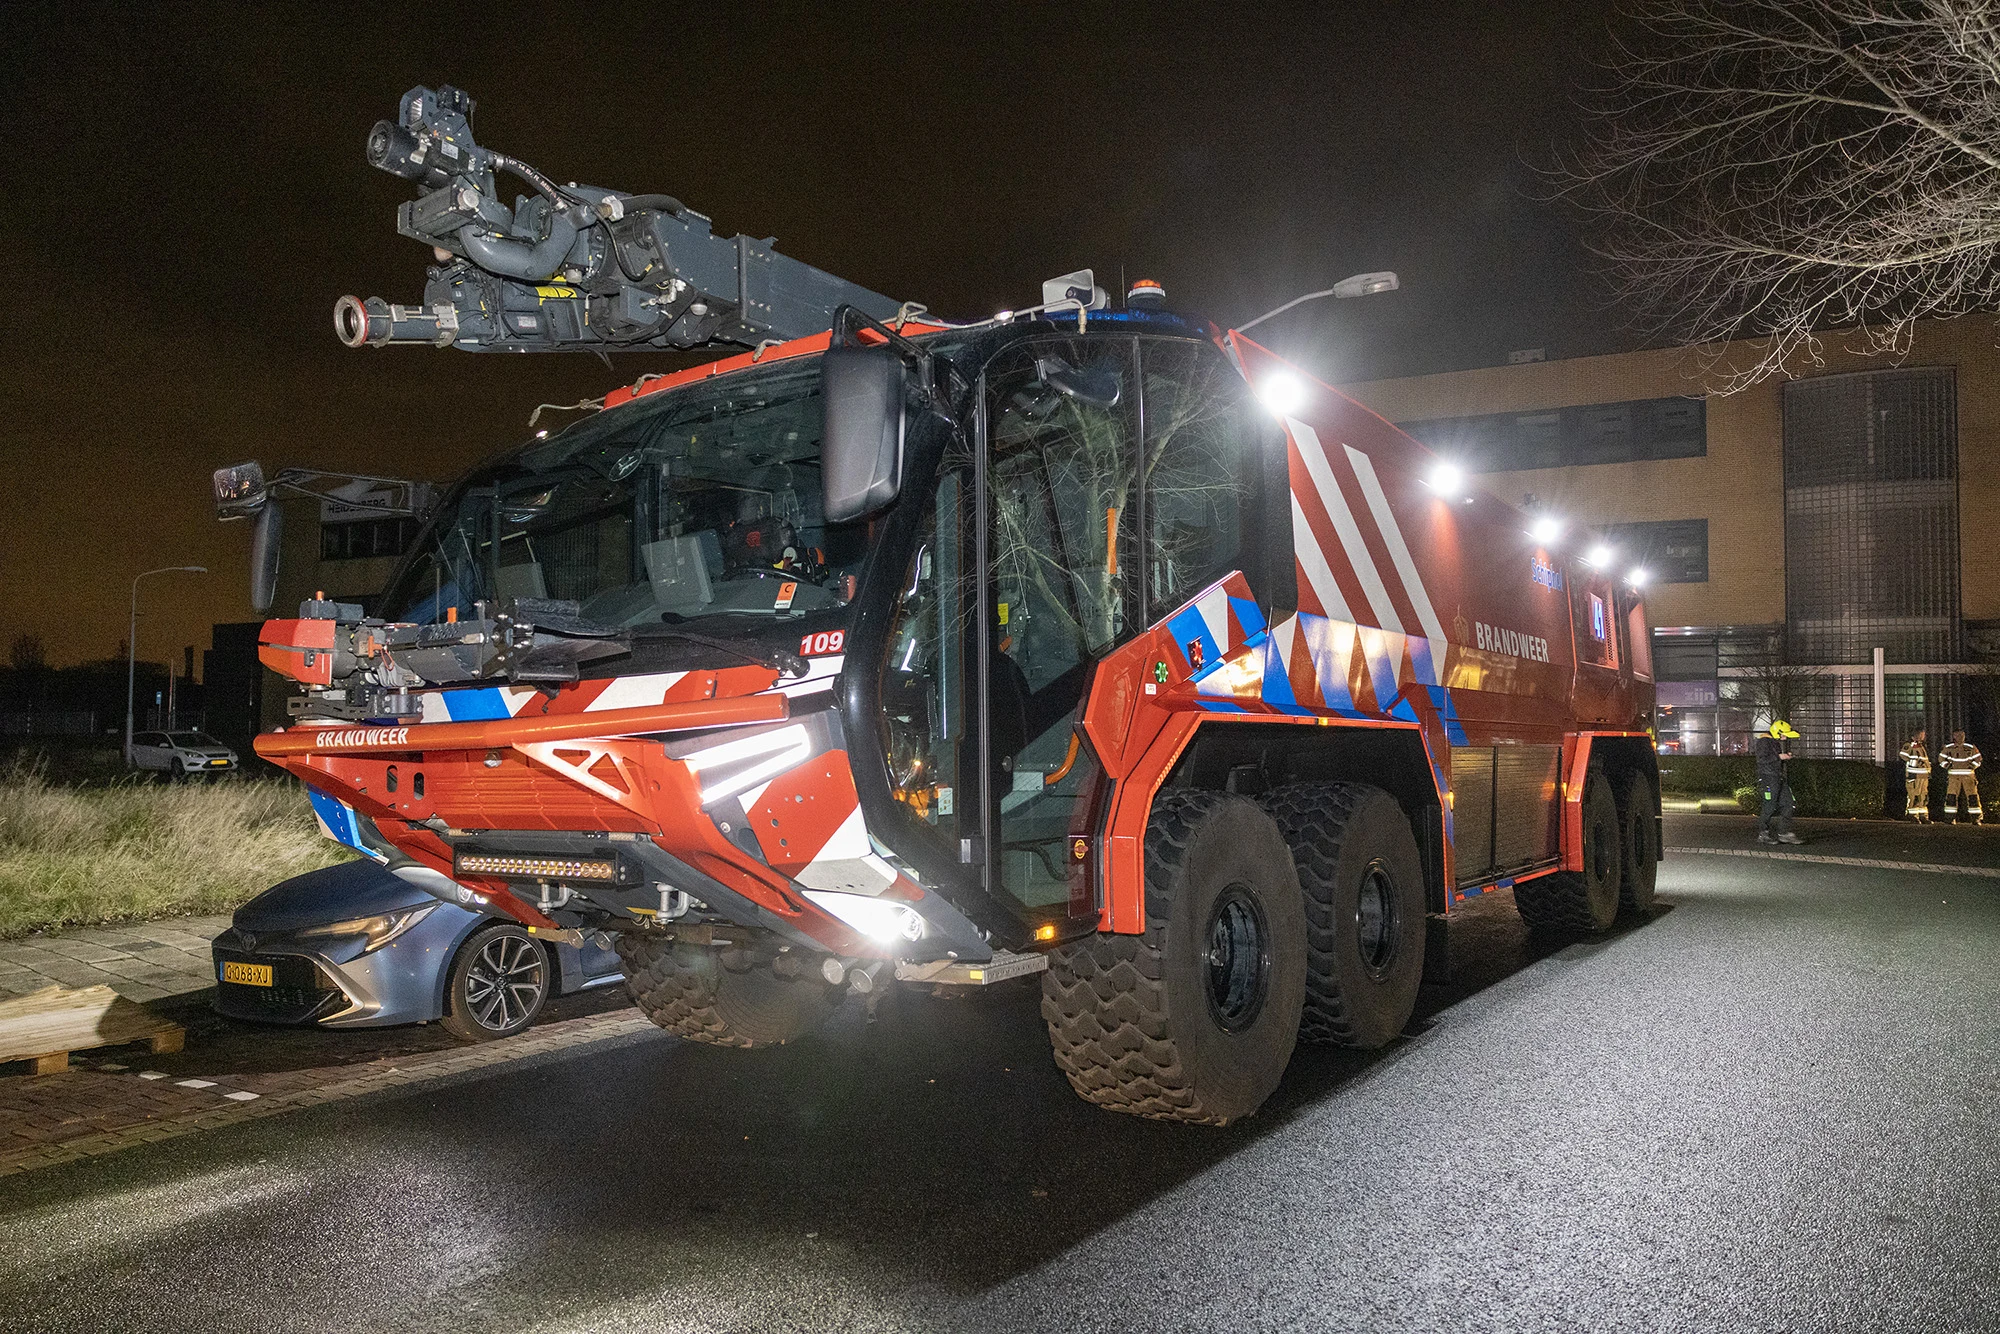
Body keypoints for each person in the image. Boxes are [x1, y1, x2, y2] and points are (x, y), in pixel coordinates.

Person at [1754, 720, 1803, 844]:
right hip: (1768, 778)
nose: (1785, 738)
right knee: (1769, 805)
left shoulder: (1773, 742)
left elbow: (1770, 758)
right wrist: (1780, 757)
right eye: (1784, 735)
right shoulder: (1764, 741)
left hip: (1778, 777)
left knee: (1789, 803)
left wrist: (1783, 756)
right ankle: (1763, 833)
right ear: (1777, 732)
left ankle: (1784, 833)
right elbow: (1761, 759)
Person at [1940, 729, 1984, 825]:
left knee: (1973, 797)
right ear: (1954, 736)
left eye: (1962, 735)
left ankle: (1976, 818)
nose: (1960, 737)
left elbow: (1979, 759)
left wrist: (1972, 766)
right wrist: (1948, 766)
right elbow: (1941, 759)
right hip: (1953, 776)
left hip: (1968, 776)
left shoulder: (1970, 747)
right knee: (1951, 797)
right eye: (1958, 735)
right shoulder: (1948, 747)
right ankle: (1950, 818)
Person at [1899, 728, 1932, 823]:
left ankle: (1923, 816)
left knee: (1923, 796)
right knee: (1914, 795)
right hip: (1914, 775)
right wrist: (1914, 762)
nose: (1924, 736)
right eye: (1922, 734)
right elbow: (1903, 755)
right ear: (1918, 735)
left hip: (1923, 776)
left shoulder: (1921, 746)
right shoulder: (1910, 744)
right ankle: (1912, 815)